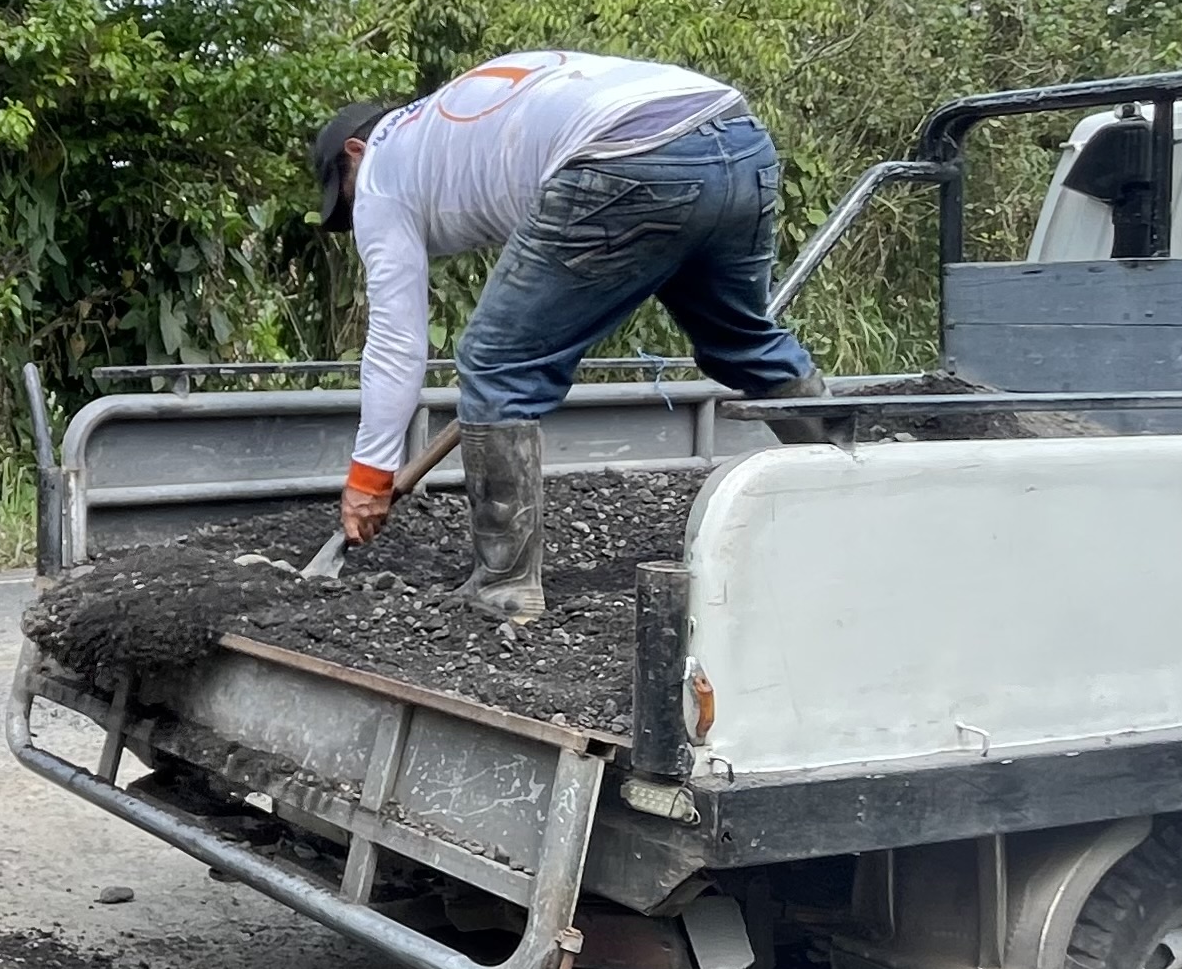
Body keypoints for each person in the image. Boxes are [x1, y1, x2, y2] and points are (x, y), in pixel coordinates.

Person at [316, 51, 827, 623]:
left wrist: (370, 474)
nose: (356, 215)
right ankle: (859, 494)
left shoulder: (381, 172)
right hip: (736, 136)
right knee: (741, 340)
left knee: (495, 363)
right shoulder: (449, 128)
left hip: (623, 154)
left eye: (347, 199)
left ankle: (503, 588)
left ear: (355, 152)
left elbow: (395, 342)